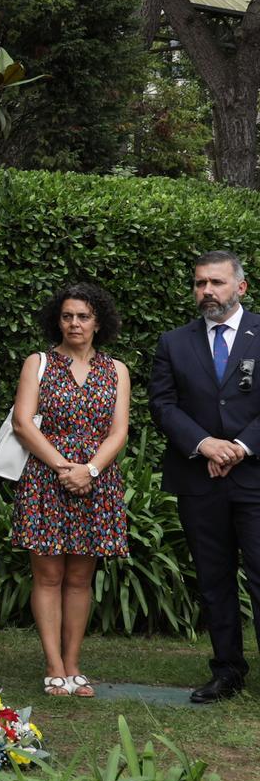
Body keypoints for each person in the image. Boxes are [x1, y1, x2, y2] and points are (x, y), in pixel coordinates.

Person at [150, 251, 260, 703]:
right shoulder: (174, 342)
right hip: (200, 479)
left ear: (241, 287)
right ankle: (227, 670)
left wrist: (238, 446)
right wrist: (205, 444)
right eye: (199, 283)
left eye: (215, 282)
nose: (206, 292)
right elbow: (163, 405)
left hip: (254, 477)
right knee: (214, 580)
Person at [11, 283, 130, 698]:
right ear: (57, 320)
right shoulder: (39, 363)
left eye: (83, 316)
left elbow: (120, 432)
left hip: (96, 483)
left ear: (98, 322)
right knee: (47, 576)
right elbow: (23, 424)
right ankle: (53, 664)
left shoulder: (116, 370)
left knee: (80, 578)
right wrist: (65, 467)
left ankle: (74, 665)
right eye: (67, 316)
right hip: (47, 479)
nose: (74, 323)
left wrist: (91, 470)